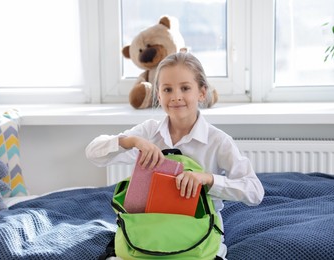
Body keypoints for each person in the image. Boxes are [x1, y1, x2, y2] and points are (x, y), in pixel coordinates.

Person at [85, 52, 264, 259]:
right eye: (167, 89)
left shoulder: (218, 141)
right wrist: (131, 141)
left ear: (202, 92)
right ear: (158, 95)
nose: (176, 96)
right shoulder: (149, 132)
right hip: (146, 231)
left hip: (198, 236)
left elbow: (255, 192)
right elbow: (93, 153)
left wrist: (208, 179)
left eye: (185, 88)